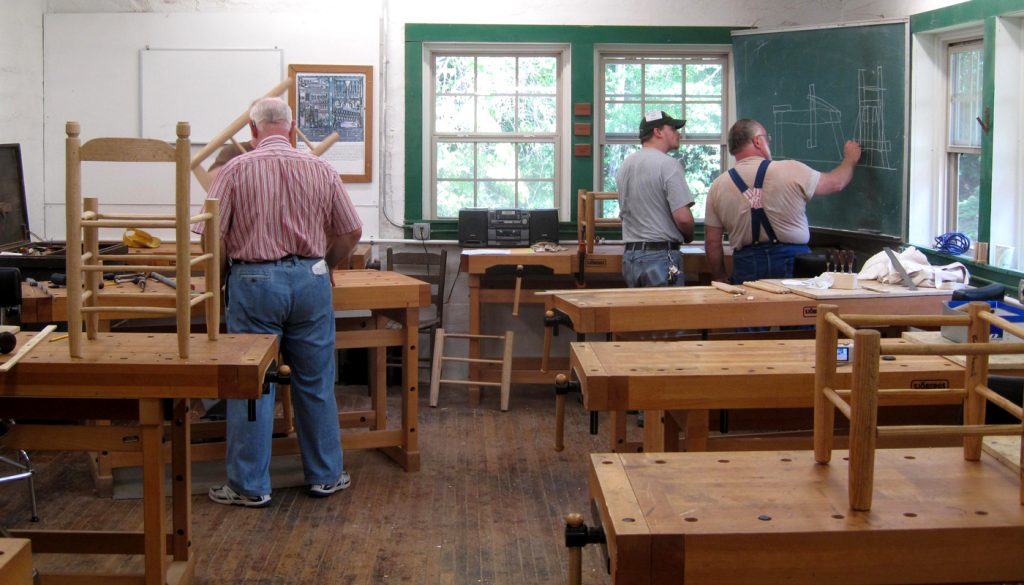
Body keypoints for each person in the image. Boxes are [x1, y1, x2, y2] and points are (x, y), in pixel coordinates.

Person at [199, 97, 362, 508]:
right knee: (316, 381)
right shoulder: (322, 169)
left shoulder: (235, 169)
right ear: (290, 130)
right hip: (311, 279)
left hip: (253, 281)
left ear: (253, 132)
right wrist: (321, 266)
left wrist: (219, 287)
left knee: (252, 386)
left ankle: (249, 485)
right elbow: (351, 232)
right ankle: (326, 475)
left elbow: (210, 236)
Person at [704, 119, 861, 284]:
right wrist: (850, 159)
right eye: (767, 138)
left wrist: (720, 277)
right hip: (793, 263)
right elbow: (836, 183)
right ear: (758, 141)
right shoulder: (791, 169)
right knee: (792, 309)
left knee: (752, 309)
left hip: (746, 265)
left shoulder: (718, 186)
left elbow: (712, 242)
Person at [617, 110, 696, 288]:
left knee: (641, 315)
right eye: (673, 128)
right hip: (660, 257)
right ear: (657, 132)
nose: (678, 133)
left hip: (630, 257)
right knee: (668, 315)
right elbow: (683, 219)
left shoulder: (625, 165)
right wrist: (689, 236)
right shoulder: (668, 164)